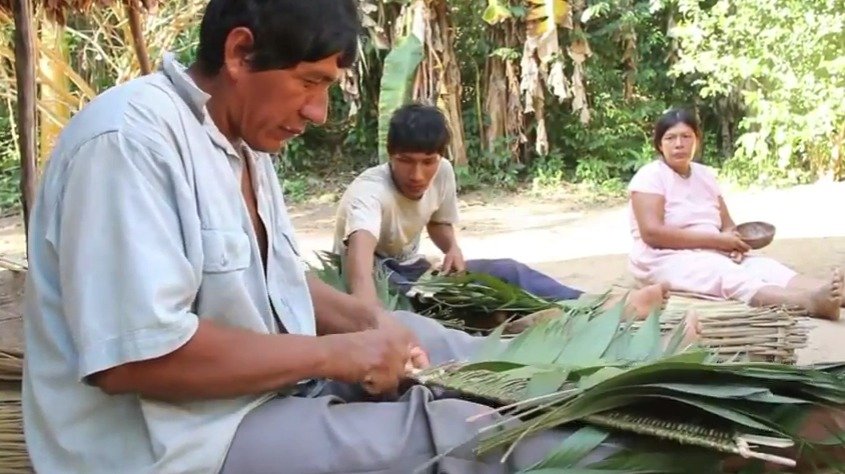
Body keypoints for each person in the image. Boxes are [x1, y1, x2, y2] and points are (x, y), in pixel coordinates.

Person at [21, 2, 631, 473]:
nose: (318, 112)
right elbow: (136, 358)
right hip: (177, 444)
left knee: (442, 348)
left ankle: (631, 395)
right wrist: (334, 355)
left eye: (328, 88)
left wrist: (368, 322)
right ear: (240, 53)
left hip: (258, 394)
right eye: (310, 82)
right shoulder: (128, 144)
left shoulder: (244, 145)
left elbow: (279, 282)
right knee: (461, 435)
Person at [333, 103, 667, 322]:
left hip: (414, 270)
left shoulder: (444, 172)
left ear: (440, 156)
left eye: (427, 162)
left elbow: (438, 222)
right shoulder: (369, 192)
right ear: (390, 155)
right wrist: (369, 318)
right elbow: (360, 262)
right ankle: (538, 323)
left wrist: (451, 248)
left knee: (508, 272)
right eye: (406, 161)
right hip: (378, 278)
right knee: (459, 307)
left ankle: (596, 307)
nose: (418, 175)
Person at [628, 108, 843, 320]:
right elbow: (652, 234)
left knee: (764, 266)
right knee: (728, 274)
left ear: (697, 140)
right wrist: (719, 241)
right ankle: (809, 303)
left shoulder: (704, 175)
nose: (678, 144)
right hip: (665, 258)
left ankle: (836, 292)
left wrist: (733, 244)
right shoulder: (650, 176)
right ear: (659, 144)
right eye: (670, 138)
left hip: (713, 250)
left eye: (686, 137)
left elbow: (727, 224)